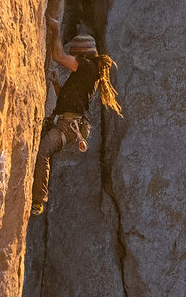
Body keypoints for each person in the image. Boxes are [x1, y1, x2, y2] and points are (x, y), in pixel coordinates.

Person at [35, 31, 124, 214]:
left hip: (69, 126)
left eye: (74, 55)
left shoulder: (86, 67)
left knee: (43, 151)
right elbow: (70, 103)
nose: (72, 58)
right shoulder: (86, 74)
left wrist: (55, 28)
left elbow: (58, 56)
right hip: (69, 123)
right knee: (43, 148)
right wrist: (57, 85)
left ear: (81, 55)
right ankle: (37, 194)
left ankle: (38, 201)